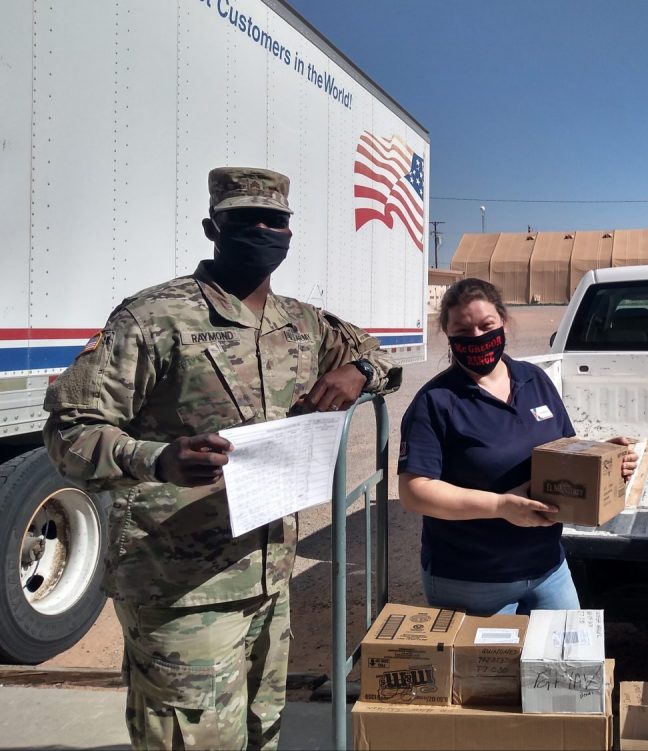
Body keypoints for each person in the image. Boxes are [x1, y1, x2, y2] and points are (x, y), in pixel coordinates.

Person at [43, 167, 400, 751]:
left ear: (290, 233)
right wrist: (159, 459)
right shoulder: (154, 318)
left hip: (269, 576)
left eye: (275, 221)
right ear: (213, 227)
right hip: (179, 589)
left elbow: (383, 359)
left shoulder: (303, 324)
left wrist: (356, 372)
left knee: (263, 733)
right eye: (243, 220)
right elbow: (69, 433)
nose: (263, 230)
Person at [398, 278, 637, 615]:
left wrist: (601, 459)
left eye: (486, 325)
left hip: (549, 568)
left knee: (567, 664)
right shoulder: (435, 401)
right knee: (495, 670)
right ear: (448, 336)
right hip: (473, 581)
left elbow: (563, 448)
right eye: (463, 330)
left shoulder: (533, 379)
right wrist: (500, 506)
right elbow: (414, 492)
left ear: (503, 322)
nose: (477, 337)